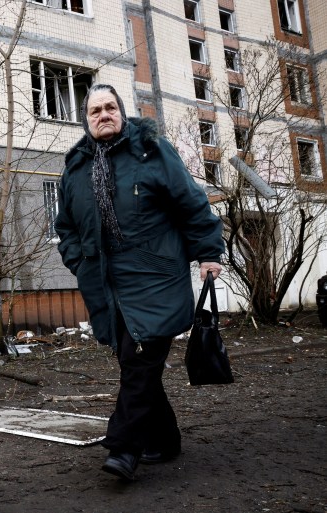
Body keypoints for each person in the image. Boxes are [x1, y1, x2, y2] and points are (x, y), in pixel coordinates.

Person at [54, 84, 224, 481]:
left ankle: (124, 447)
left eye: (110, 107)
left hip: (156, 276)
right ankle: (164, 440)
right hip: (106, 286)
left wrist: (209, 253)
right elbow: (66, 228)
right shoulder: (76, 168)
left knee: (138, 362)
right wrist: (78, 262)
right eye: (95, 110)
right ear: (86, 119)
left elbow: (190, 201)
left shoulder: (151, 150)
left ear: (122, 111)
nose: (104, 115)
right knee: (137, 365)